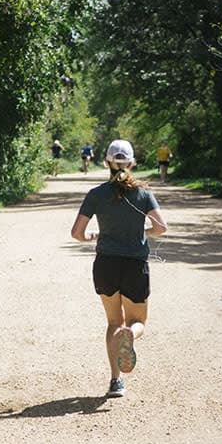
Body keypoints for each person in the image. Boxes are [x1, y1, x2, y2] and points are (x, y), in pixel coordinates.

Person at [70, 139, 168, 398]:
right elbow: (161, 228)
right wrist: (141, 231)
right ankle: (131, 336)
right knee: (137, 322)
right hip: (135, 265)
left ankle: (116, 381)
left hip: (106, 265)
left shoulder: (96, 194)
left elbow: (77, 233)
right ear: (133, 163)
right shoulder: (144, 194)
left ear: (106, 163)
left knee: (114, 321)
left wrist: (94, 237)